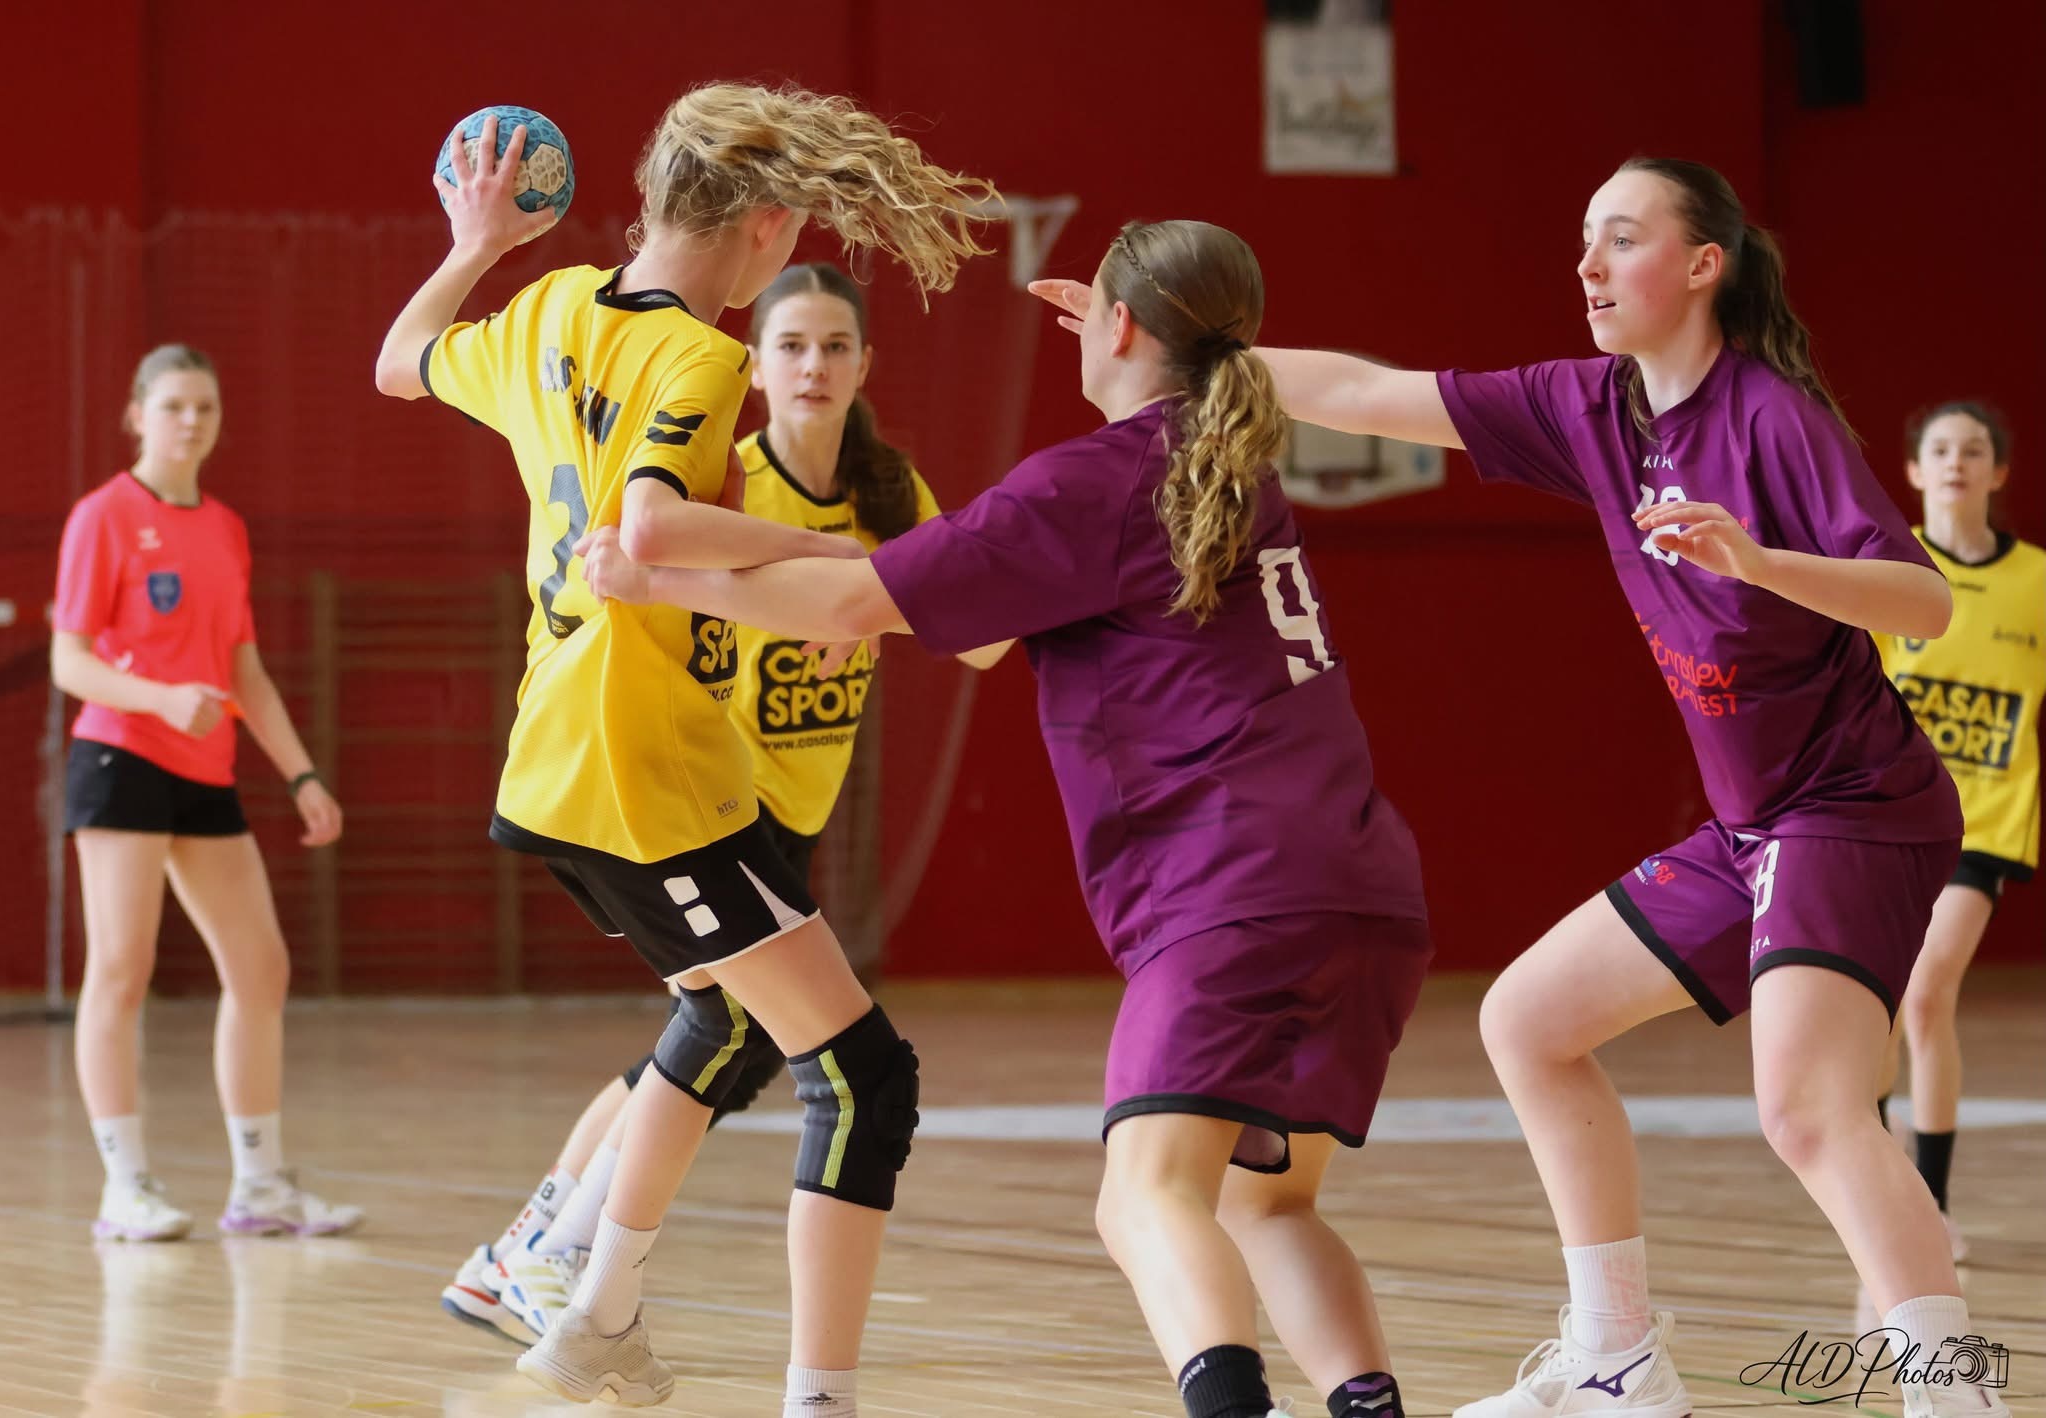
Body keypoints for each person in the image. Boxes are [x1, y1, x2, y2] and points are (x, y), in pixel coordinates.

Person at [1099, 158, 2001, 1418]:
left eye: (1618, 239)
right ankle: (1617, 1360)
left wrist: (1757, 558)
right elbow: (1367, 391)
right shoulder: (1592, 408)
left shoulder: (1770, 418)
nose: (1583, 265)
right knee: (1526, 1020)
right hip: (1752, 828)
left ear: (1700, 266)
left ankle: (1952, 1392)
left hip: (1853, 807)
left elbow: (1919, 597)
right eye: (1580, 238)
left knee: (1803, 1104)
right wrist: (1178, 354)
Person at [582, 217, 1432, 1418]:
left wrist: (647, 577)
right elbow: (968, 612)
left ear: (1120, 326)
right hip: (1367, 891)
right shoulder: (1235, 468)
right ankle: (1366, 1404)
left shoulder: (1091, 483)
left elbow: (852, 592)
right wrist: (1149, 323)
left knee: (1142, 1194)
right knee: (1267, 1199)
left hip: (1230, 890)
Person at [375, 85, 992, 1411]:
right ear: (769, 232)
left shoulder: (545, 311)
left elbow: (396, 361)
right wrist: (846, 561)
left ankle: (589, 1300)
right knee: (862, 1078)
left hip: (566, 758)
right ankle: (792, 1381)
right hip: (638, 767)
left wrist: (477, 244)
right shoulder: (703, 360)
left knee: (725, 1020)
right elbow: (650, 531)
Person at [52, 343, 358, 1243]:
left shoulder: (224, 527)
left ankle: (260, 1185)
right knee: (122, 968)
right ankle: (125, 1186)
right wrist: (156, 698)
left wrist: (300, 774)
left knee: (261, 968)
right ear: (137, 413)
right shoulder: (102, 517)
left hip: (207, 768)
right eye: (175, 406)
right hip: (121, 759)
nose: (192, 422)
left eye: (207, 409)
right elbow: (72, 661)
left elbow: (243, 671)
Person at [1876, 401, 2042, 1260]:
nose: (1955, 462)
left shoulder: (2036, 582)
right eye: (1939, 448)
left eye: (1974, 449)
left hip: (1983, 822)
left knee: (1927, 989)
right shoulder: (1886, 563)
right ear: (1914, 469)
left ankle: (1929, 1206)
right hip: (1880, 814)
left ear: (1998, 471)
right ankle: (1872, 1188)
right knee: (1868, 1009)